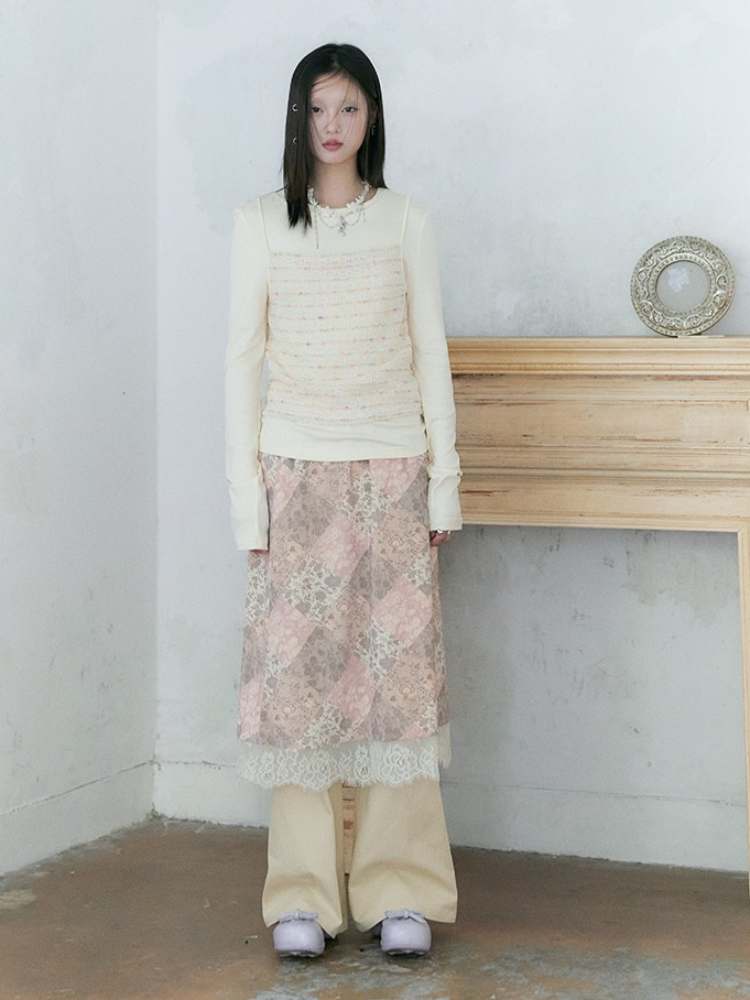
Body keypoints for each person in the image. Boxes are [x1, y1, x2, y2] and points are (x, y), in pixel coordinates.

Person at [225, 42, 463, 959]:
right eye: (317, 108)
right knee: (301, 690)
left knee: (396, 685)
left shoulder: (407, 221)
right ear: (298, 118)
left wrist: (443, 485)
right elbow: (241, 363)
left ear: (372, 118)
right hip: (295, 476)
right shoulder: (259, 224)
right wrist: (247, 501)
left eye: (349, 108)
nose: (332, 126)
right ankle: (302, 896)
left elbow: (430, 352)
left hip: (394, 472)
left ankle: (401, 890)